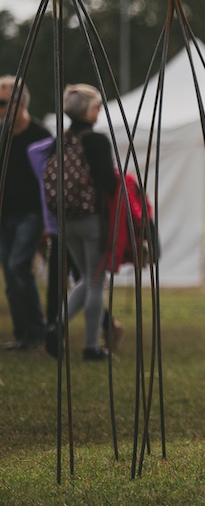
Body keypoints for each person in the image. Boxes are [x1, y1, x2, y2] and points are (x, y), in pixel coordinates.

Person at [45, 84, 120, 361]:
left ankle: (58, 325)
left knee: (87, 278)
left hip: (66, 221)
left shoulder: (60, 140)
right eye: (97, 107)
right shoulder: (96, 141)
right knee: (96, 281)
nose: (99, 112)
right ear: (88, 110)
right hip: (92, 219)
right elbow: (108, 182)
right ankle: (91, 347)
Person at [0, 76, 51, 351]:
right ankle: (24, 334)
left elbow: (49, 180)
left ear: (19, 104)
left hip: (31, 214)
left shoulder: (41, 135)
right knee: (10, 272)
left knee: (19, 265)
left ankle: (36, 330)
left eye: (2, 103)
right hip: (4, 215)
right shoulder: (1, 134)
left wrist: (48, 220)